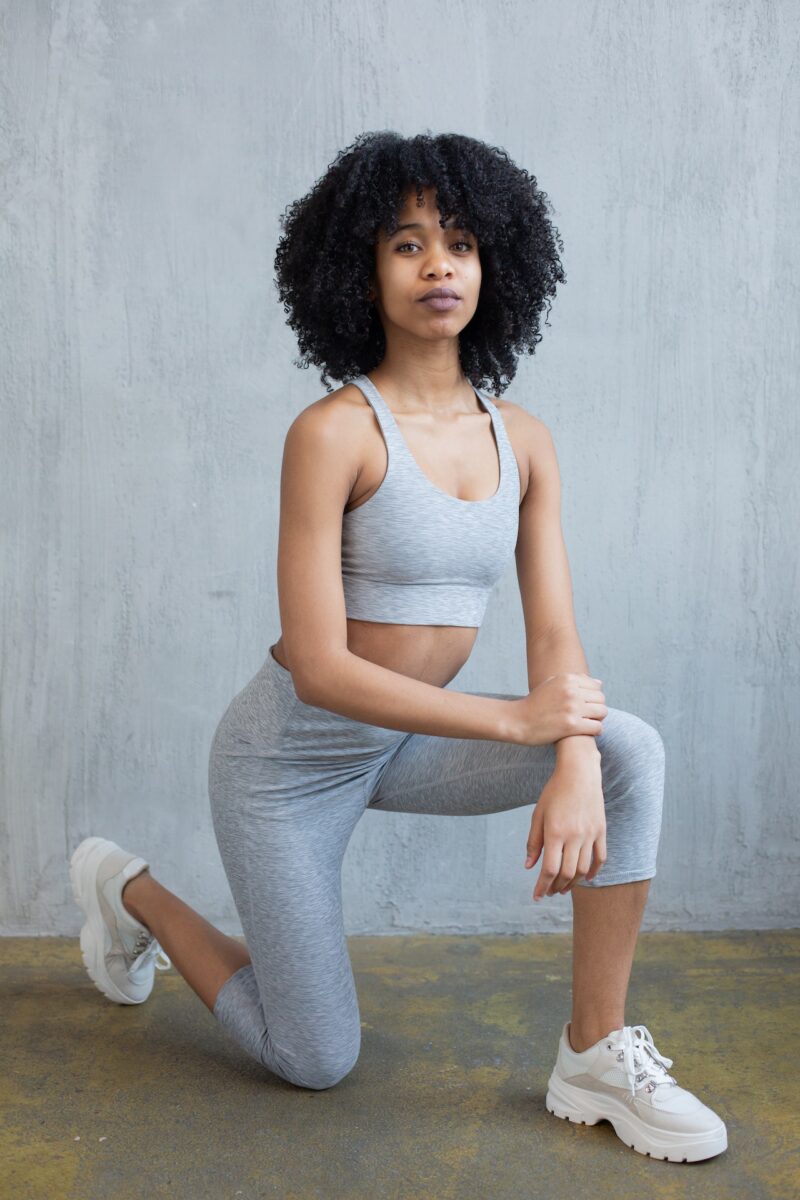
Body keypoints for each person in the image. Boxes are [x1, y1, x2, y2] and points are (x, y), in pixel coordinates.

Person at [69, 131, 727, 1163]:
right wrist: (519, 720)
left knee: (623, 750)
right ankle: (126, 889)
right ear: (358, 271)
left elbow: (554, 632)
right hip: (284, 767)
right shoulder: (334, 432)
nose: (436, 266)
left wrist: (567, 755)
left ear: (490, 265)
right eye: (406, 243)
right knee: (312, 1057)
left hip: (402, 748)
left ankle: (593, 1052)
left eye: (458, 243)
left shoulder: (525, 441)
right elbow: (322, 666)